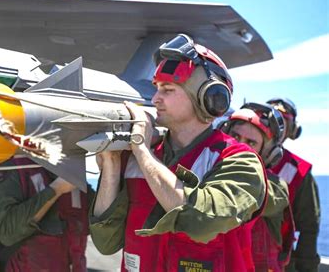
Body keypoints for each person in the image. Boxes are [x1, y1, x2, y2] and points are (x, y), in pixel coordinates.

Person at [90, 34, 267, 271]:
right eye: (157, 88)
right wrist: (112, 163)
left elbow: (200, 221)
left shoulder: (238, 160)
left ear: (207, 97)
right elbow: (106, 241)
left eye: (168, 89)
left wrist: (142, 150)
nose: (155, 99)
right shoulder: (139, 158)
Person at [0, 155, 92, 272]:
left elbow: (104, 224)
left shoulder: (70, 169)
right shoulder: (11, 165)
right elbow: (7, 231)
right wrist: (56, 189)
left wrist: (109, 168)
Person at [224, 102, 293, 272]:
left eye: (251, 143)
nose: (239, 146)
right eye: (235, 136)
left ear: (269, 153)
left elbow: (249, 194)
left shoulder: (277, 188)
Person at [267, 98, 321, 272]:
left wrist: (306, 268)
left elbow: (309, 227)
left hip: (276, 263)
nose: (277, 125)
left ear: (292, 130)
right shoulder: (235, 159)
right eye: (272, 118)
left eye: (283, 120)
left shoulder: (299, 173)